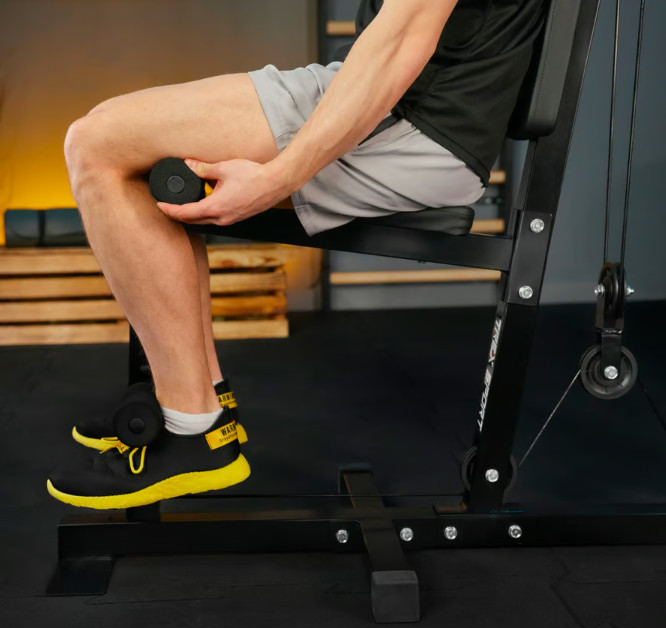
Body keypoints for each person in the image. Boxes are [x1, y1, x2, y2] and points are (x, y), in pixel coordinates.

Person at [47, 0, 546, 509]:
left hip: (416, 122)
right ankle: (204, 406)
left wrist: (277, 179)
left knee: (97, 145)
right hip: (387, 92)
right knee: (109, 134)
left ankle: (191, 428)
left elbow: (401, 43)